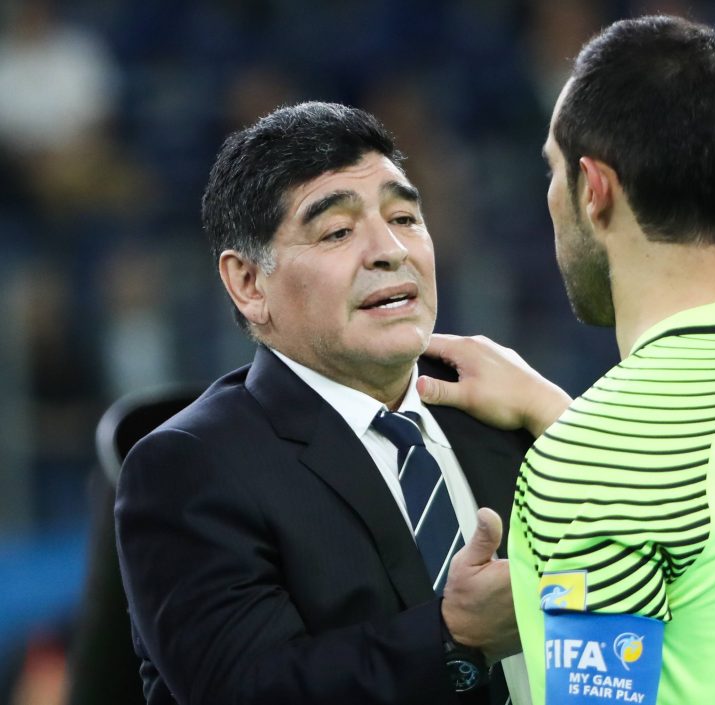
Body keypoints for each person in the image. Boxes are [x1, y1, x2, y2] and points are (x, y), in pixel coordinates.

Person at [417, 15, 715, 705]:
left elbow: (633, 486)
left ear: (595, 188)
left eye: (554, 170)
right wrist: (563, 415)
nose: (552, 197)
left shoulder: (598, 466)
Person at [114, 101, 535, 705]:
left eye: (405, 217)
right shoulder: (189, 467)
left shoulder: (501, 404)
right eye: (338, 232)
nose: (390, 250)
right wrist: (454, 637)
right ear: (249, 284)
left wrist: (556, 413)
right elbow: (253, 689)